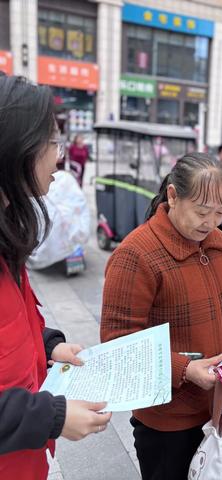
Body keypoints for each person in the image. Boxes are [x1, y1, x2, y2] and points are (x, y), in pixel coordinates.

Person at [100, 152, 222, 480]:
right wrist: (184, 369)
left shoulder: (220, 243)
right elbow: (118, 344)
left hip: (214, 402)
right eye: (200, 211)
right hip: (168, 415)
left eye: (220, 213)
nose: (209, 223)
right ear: (172, 196)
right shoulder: (136, 255)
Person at [0, 74, 111, 479]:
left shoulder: (7, 234)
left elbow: (14, 321)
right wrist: (51, 415)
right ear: (19, 147)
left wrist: (49, 346)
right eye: (53, 144)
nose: (59, 158)